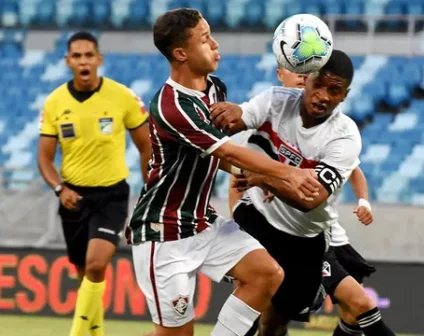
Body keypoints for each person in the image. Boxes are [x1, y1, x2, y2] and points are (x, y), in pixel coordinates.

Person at [125, 8, 322, 336]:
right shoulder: (171, 105)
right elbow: (227, 150)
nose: (216, 44)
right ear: (181, 53)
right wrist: (289, 174)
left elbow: (219, 155)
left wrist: (265, 177)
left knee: (266, 274)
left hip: (202, 221)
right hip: (163, 233)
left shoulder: (216, 89)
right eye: (205, 39)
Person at [213, 52, 397, 336]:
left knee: (275, 323)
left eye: (334, 90)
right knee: (249, 299)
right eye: (318, 85)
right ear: (306, 80)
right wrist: (229, 113)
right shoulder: (274, 101)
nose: (323, 96)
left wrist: (264, 178)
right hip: (258, 219)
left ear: (344, 96)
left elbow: (310, 200)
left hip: (306, 239)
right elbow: (229, 131)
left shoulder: (344, 136)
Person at [37, 32, 152, 336]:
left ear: (99, 59)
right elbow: (45, 159)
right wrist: (60, 189)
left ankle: (76, 333)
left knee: (97, 265)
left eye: (89, 55)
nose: (83, 61)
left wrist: (148, 190)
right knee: (83, 272)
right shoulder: (55, 103)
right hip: (72, 197)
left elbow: (147, 146)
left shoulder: (123, 96)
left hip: (111, 194)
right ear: (68, 61)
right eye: (77, 56)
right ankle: (96, 332)